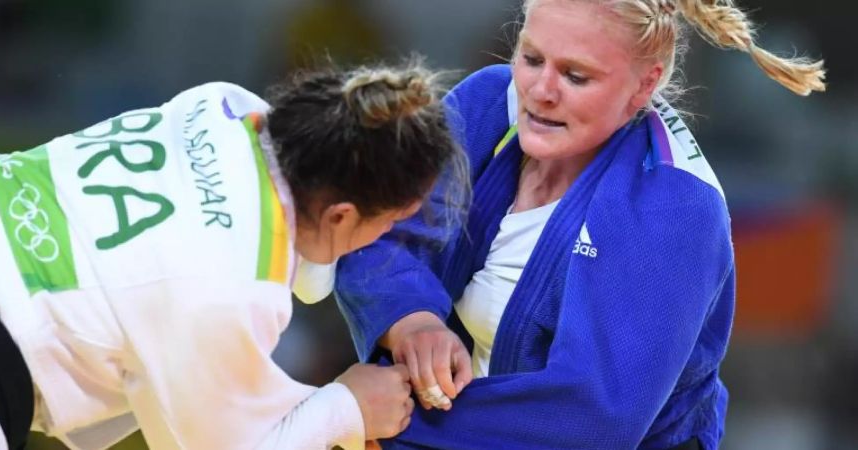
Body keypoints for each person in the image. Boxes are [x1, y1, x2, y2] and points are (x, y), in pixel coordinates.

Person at [334, 0, 826, 449]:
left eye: (576, 76)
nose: (541, 91)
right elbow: (365, 226)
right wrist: (410, 321)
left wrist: (381, 419)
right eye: (531, 59)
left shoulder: (673, 207)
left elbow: (588, 420)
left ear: (644, 85)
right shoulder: (488, 104)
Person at [0, 60, 464, 450]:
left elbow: (293, 251)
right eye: (390, 221)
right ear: (340, 216)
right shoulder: (231, 288)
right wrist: (349, 406)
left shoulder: (225, 106)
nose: (386, 235)